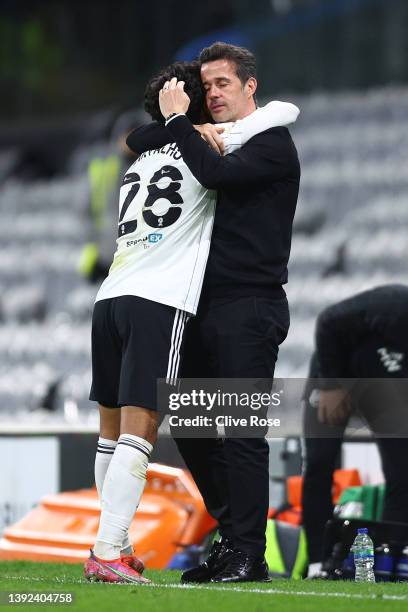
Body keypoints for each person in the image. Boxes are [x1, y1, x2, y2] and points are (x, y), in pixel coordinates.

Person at [85, 59, 299, 584]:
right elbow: (152, 139)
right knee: (196, 429)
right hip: (185, 306)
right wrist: (186, 125)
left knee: (240, 431)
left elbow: (240, 142)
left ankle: (246, 551)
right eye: (207, 88)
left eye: (223, 82)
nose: (215, 95)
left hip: (245, 308)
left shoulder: (263, 142)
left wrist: (180, 123)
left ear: (250, 85)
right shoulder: (195, 141)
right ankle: (223, 541)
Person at [302, 284, 408, 577]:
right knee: (320, 463)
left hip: (383, 391)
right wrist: (331, 385)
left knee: (402, 471)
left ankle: (390, 561)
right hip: (334, 374)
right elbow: (328, 320)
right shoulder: (393, 303)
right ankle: (317, 564)